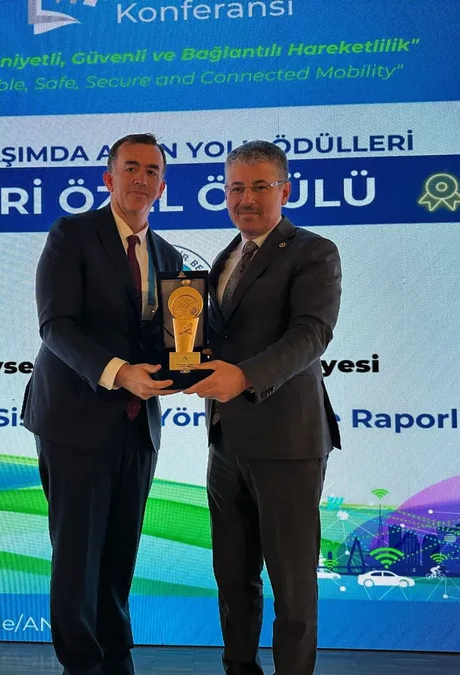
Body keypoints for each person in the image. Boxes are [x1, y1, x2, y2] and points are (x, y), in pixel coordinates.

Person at [22, 133, 183, 675]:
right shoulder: (72, 234)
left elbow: (164, 339)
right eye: (131, 168)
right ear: (109, 178)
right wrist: (119, 373)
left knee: (119, 556)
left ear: (162, 186)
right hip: (76, 421)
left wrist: (184, 367)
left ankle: (116, 660)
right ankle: (83, 666)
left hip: (138, 427)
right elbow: (56, 326)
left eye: (152, 171)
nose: (141, 178)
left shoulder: (168, 256)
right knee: (77, 558)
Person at [185, 140, 342, 675]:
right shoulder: (224, 257)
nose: (245, 198)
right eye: (235, 188)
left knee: (292, 586)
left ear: (285, 190)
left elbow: (311, 334)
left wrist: (245, 376)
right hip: (226, 441)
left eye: (258, 186)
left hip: (287, 444)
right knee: (232, 578)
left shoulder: (313, 251)